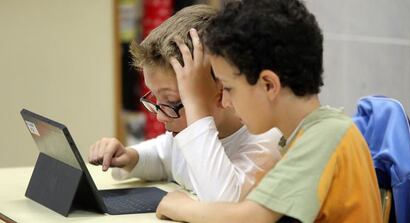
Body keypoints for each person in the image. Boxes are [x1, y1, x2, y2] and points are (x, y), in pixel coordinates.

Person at [155, 0, 382, 222]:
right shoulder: (306, 136)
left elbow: (249, 219)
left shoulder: (325, 137)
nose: (225, 101)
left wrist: (181, 206)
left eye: (230, 89)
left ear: (268, 85)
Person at [88, 4, 282, 202]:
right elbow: (163, 156)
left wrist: (195, 104)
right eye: (155, 98)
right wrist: (130, 157)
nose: (160, 115)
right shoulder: (182, 134)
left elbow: (223, 202)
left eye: (172, 101)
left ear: (223, 88)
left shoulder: (264, 140)